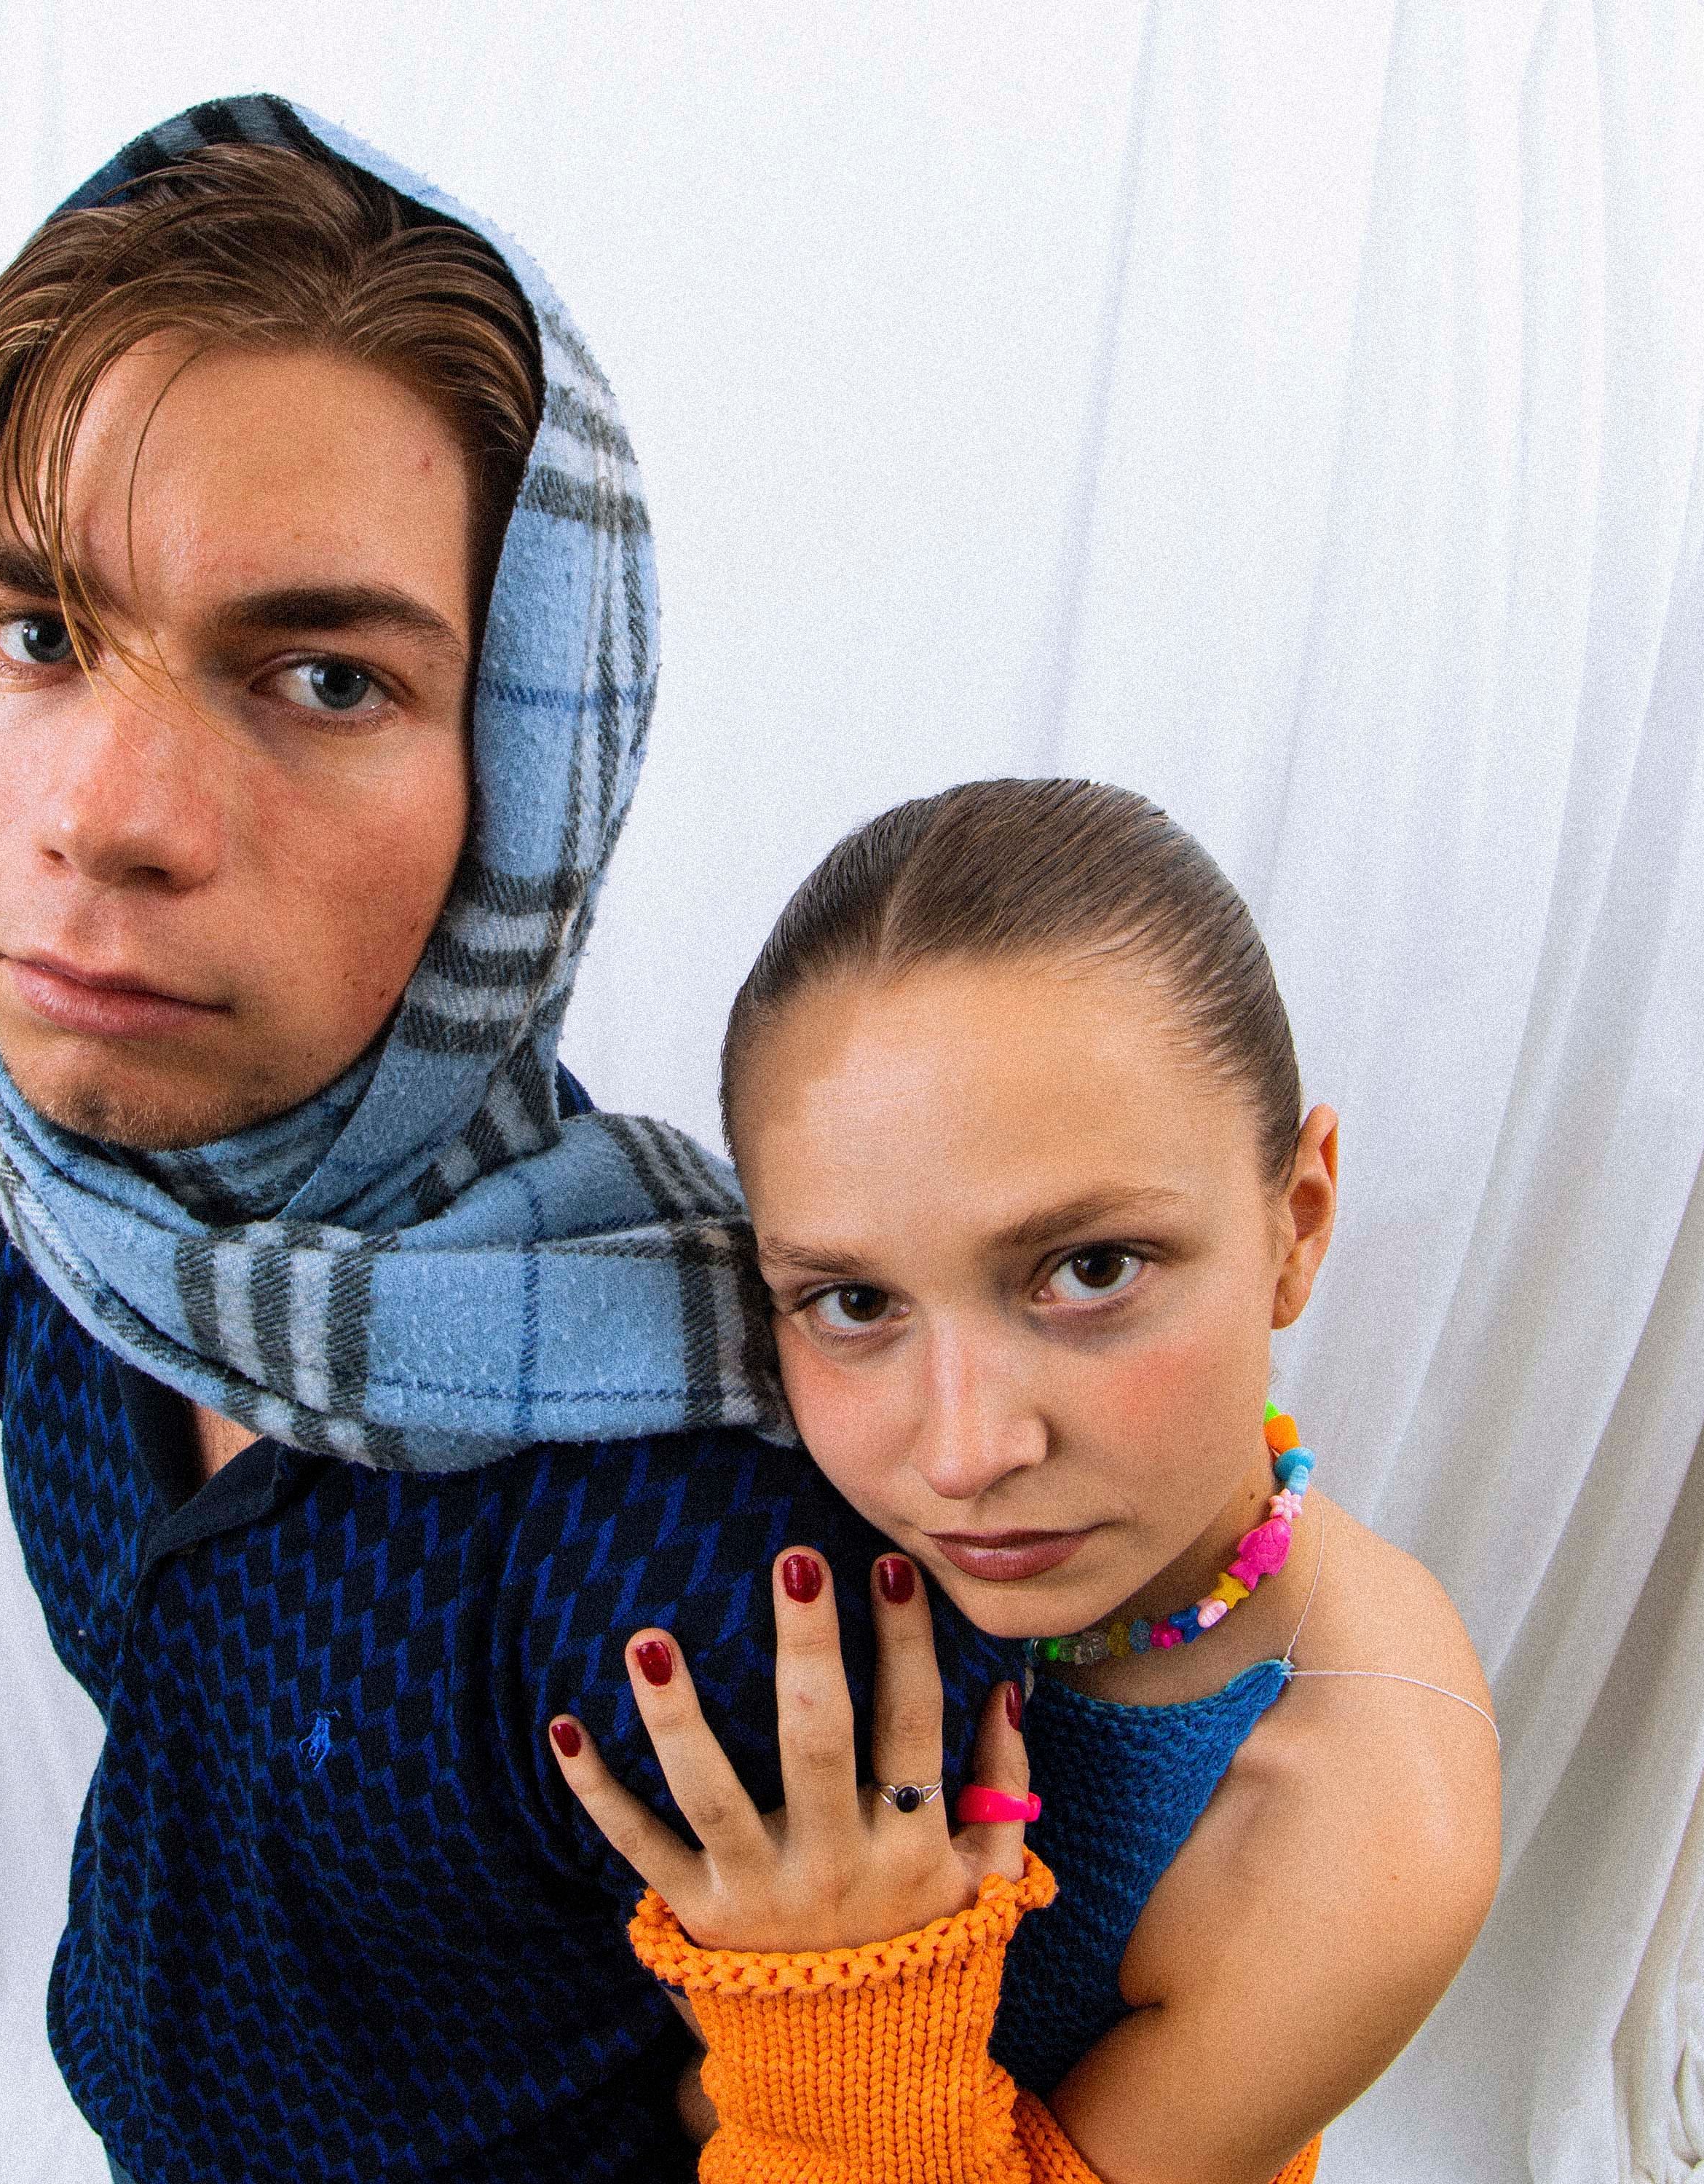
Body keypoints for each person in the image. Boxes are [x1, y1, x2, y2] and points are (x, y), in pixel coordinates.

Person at [0, 91, 1028, 2183]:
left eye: (324, 678)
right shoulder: (53, 1243)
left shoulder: (703, 1557)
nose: (107, 819)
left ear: (531, 787)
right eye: (43, 634)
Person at [550, 780, 1504, 2183]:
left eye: (1092, 1270)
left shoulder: (1367, 1821)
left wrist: (840, 2012)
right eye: (855, 1301)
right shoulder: (726, 1454)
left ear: (1296, 1224)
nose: (963, 1454)